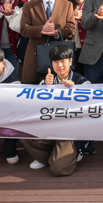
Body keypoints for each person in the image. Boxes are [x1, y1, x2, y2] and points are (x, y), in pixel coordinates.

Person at [23, 44, 87, 176]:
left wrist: (76, 91)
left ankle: (68, 154)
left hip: (69, 133)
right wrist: (46, 88)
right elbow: (35, 106)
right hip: (49, 127)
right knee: (21, 131)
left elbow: (90, 108)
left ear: (70, 61)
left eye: (63, 61)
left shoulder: (82, 82)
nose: (59, 66)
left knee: (58, 169)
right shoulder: (47, 81)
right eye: (55, 62)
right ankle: (47, 157)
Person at [19, 0, 76, 84]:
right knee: (33, 88)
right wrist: (42, 29)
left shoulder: (67, 4)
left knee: (60, 87)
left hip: (59, 53)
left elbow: (71, 28)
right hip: (35, 54)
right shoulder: (29, 6)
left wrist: (57, 32)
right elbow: (24, 29)